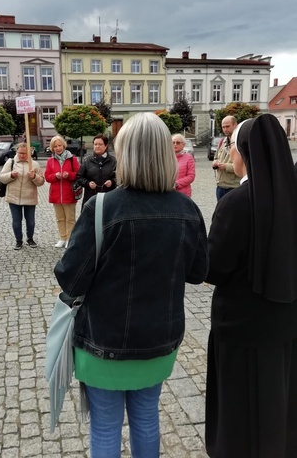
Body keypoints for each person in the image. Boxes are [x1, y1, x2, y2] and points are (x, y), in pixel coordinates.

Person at [54, 113, 208, 457]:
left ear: (125, 155)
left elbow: (70, 276)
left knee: (106, 426)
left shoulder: (102, 207)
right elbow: (198, 272)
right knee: (146, 419)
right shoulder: (187, 209)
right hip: (159, 339)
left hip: (102, 341)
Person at [205, 114, 297, 458]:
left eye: (235, 148)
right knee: (280, 396)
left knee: (239, 403)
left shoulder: (236, 204)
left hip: (241, 325)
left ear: (246, 153)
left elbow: (214, 269)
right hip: (286, 320)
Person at [0, 142, 45, 250]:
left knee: (30, 221)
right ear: (16, 152)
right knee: (16, 220)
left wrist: (34, 177)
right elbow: (1, 178)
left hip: (30, 197)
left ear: (29, 153)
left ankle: (30, 238)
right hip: (14, 197)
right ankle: (18, 240)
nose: (22, 155)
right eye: (20, 153)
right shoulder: (11, 162)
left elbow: (41, 182)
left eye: (24, 153)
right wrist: (11, 175)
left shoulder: (34, 164)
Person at [44, 135, 80, 248]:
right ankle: (62, 238)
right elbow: (47, 177)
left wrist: (69, 175)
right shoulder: (50, 161)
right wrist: (55, 176)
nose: (58, 148)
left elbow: (78, 175)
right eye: (55, 146)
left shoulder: (72, 159)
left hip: (69, 193)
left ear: (64, 146)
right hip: (56, 194)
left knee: (70, 218)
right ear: (52, 148)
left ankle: (70, 238)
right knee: (60, 218)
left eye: (59, 145)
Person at [76, 133, 116, 208]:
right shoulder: (87, 161)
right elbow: (79, 177)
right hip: (91, 198)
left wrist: (112, 182)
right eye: (95, 144)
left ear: (106, 146)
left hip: (108, 197)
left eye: (100, 144)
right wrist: (88, 183)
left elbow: (120, 177)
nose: (97, 146)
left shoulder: (113, 161)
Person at [212, 115, 240, 201]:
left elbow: (244, 167)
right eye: (223, 127)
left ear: (235, 125)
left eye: (227, 126)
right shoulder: (222, 142)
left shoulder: (240, 143)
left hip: (234, 187)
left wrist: (225, 167)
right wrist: (215, 162)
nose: (225, 129)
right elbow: (216, 157)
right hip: (220, 186)